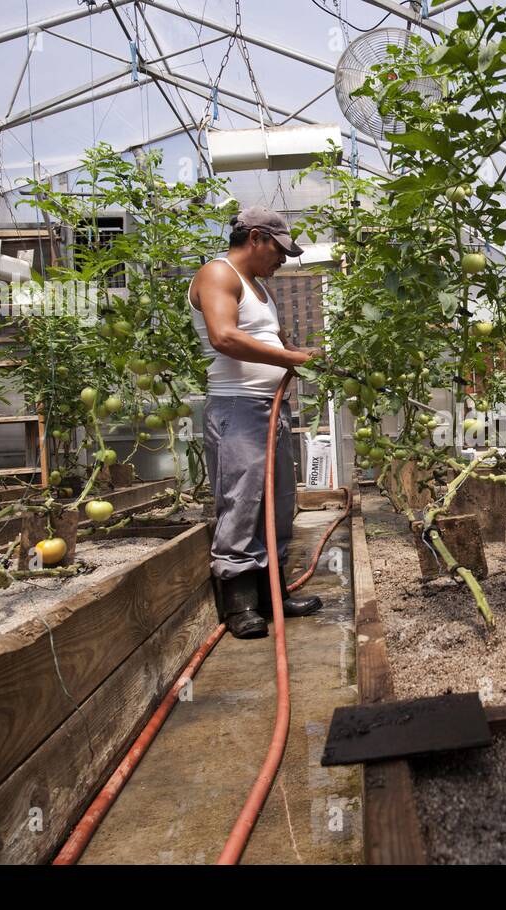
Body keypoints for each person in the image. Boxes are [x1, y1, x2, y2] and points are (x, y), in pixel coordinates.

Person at [189, 205, 324, 637]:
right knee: (242, 502)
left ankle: (272, 596)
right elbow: (224, 337)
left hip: (272, 411)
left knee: (280, 503)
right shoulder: (218, 274)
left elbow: (271, 341)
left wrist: (301, 356)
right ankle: (241, 605)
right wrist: (292, 357)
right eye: (279, 249)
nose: (281, 260)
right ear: (256, 238)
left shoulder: (258, 288)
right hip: (238, 409)